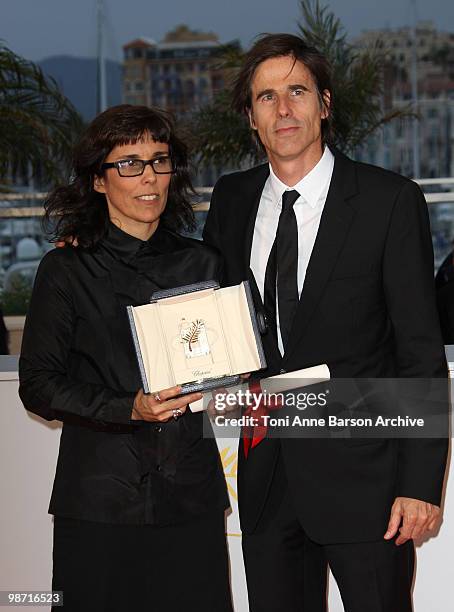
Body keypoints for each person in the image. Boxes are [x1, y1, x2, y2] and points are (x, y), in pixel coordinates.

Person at [203, 33, 448, 612]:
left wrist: (419, 484)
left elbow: (419, 349)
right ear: (250, 118)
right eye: (266, 97)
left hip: (368, 480)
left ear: (325, 103)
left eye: (297, 91)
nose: (283, 110)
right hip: (266, 476)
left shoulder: (390, 200)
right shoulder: (232, 201)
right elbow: (204, 300)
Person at [19, 104, 232, 612]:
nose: (149, 177)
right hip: (98, 504)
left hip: (192, 501)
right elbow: (39, 386)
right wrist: (127, 407)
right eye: (129, 163)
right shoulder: (65, 270)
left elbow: (234, 369)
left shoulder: (205, 263)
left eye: (159, 161)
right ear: (98, 180)